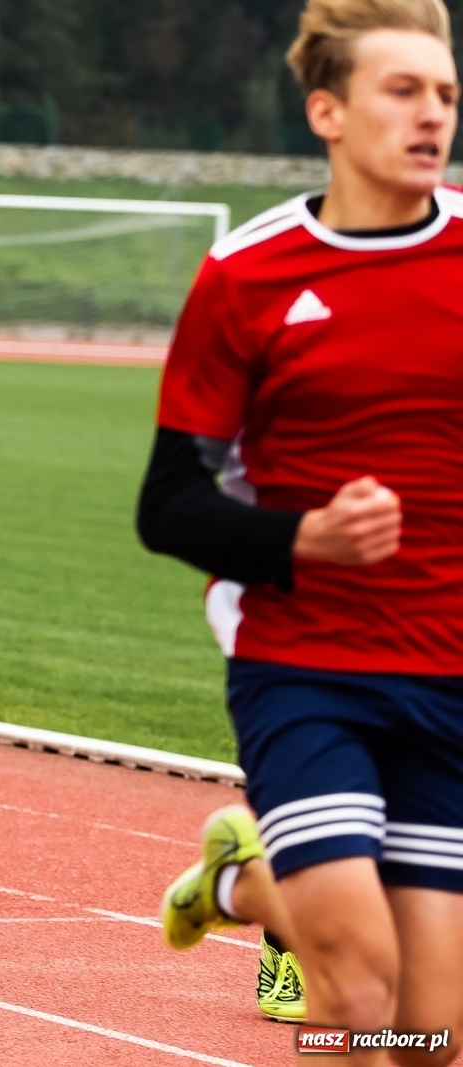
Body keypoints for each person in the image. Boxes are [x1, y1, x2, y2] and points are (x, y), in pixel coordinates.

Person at [139, 1, 463, 1061]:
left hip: (450, 670)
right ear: (327, 110)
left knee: (433, 1031)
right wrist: (302, 541)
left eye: (447, 95)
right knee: (359, 995)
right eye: (403, 91)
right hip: (304, 661)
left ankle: (237, 875)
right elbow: (168, 503)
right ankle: (265, 873)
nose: (432, 116)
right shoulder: (248, 274)